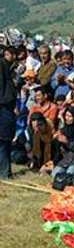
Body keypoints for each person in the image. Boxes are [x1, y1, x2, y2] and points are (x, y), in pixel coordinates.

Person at [0, 46, 20, 177]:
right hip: (3, 107)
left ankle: (5, 171)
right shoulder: (2, 65)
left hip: (6, 106)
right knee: (3, 141)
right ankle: (4, 172)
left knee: (5, 141)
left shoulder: (7, 67)